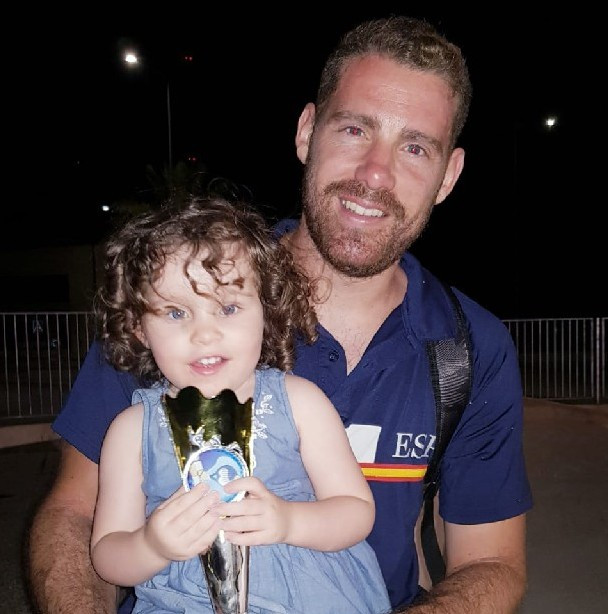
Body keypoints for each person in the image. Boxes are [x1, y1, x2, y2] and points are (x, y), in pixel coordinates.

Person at [28, 15, 533, 613]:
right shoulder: (179, 289)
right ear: (306, 132)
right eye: (354, 129)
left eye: (415, 147)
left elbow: (492, 564)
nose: (376, 173)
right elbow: (75, 515)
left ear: (448, 176)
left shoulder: (470, 348)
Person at [89, 196, 391, 613]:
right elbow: (107, 555)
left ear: (266, 309)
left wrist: (288, 521)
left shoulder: (300, 402)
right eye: (175, 313)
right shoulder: (130, 430)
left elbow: (356, 512)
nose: (204, 334)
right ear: (139, 327)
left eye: (228, 308)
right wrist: (151, 545)